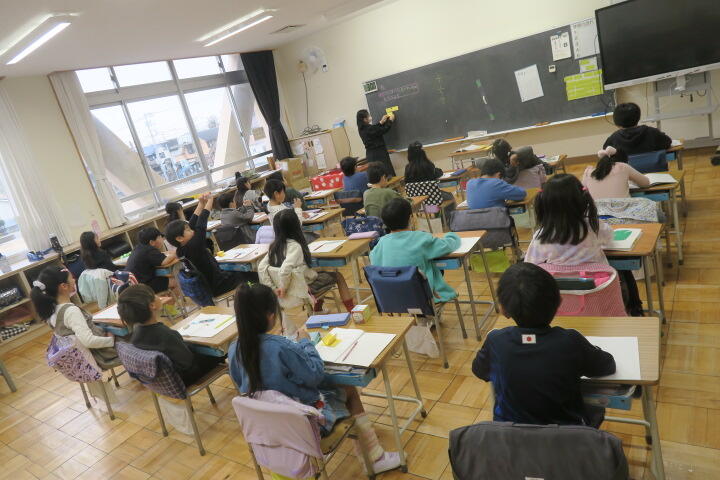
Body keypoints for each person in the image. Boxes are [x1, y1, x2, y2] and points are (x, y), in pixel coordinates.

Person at [227, 283, 401, 473]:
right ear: (270, 316)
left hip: (266, 430)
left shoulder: (234, 349)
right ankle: (375, 458)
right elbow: (314, 375)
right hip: (304, 427)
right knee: (348, 390)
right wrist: (305, 342)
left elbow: (243, 384)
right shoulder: (279, 347)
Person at [472, 262, 616, 427]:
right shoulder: (570, 341)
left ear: (504, 310)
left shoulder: (495, 342)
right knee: (593, 406)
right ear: (559, 302)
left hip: (510, 437)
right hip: (566, 436)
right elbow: (607, 366)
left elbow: (479, 370)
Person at [259, 209, 356, 322]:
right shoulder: (295, 246)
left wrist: (274, 289)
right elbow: (285, 270)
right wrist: (283, 288)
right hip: (302, 289)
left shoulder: (273, 247)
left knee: (318, 274)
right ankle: (352, 311)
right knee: (338, 276)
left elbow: (261, 268)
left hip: (288, 290)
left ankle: (318, 309)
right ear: (296, 226)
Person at [118, 284, 223, 385]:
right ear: (152, 305)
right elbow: (188, 362)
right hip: (186, 377)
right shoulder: (164, 334)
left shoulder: (136, 333)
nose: (158, 296)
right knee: (223, 349)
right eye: (154, 295)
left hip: (162, 382)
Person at [165, 193, 258, 297]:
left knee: (240, 273)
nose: (192, 230)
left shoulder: (181, 250)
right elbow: (201, 223)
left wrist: (201, 204)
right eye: (188, 230)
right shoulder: (194, 245)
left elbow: (192, 223)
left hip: (211, 286)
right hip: (220, 285)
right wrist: (210, 201)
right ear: (179, 238)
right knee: (254, 275)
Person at [370, 198, 460, 302]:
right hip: (423, 297)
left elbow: (375, 263)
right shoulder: (421, 238)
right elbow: (448, 246)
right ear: (411, 218)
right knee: (432, 265)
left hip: (392, 299)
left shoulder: (380, 244)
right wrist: (451, 235)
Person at [30, 266, 119, 368]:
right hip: (103, 355)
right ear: (64, 286)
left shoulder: (52, 312)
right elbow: (89, 341)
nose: (74, 280)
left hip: (85, 358)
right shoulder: (71, 311)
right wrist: (111, 340)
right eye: (71, 278)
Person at [524, 174, 613, 266]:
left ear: (544, 206)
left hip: (557, 276)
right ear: (582, 200)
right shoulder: (593, 226)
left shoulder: (542, 237)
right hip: (599, 275)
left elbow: (530, 264)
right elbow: (609, 239)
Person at [603, 102, 672, 155]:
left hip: (625, 170)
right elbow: (667, 143)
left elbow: (606, 152)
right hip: (653, 169)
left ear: (617, 122)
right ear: (638, 117)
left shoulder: (613, 139)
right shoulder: (651, 132)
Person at [583, 146, 650, 199]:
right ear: (624, 160)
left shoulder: (588, 171)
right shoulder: (623, 166)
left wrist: (586, 173)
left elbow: (583, 188)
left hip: (598, 211)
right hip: (623, 210)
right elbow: (645, 183)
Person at [126, 227, 178, 293]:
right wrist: (177, 252)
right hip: (144, 285)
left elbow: (158, 257)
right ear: (152, 242)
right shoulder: (149, 250)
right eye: (160, 237)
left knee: (166, 278)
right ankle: (178, 298)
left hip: (134, 284)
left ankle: (169, 297)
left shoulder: (138, 248)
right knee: (176, 281)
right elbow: (164, 261)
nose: (162, 239)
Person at [357, 109, 396, 177]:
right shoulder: (368, 128)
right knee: (386, 173)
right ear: (364, 119)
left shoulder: (362, 128)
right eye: (368, 116)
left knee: (377, 175)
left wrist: (381, 122)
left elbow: (374, 129)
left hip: (371, 154)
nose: (370, 117)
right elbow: (383, 130)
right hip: (379, 154)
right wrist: (390, 121)